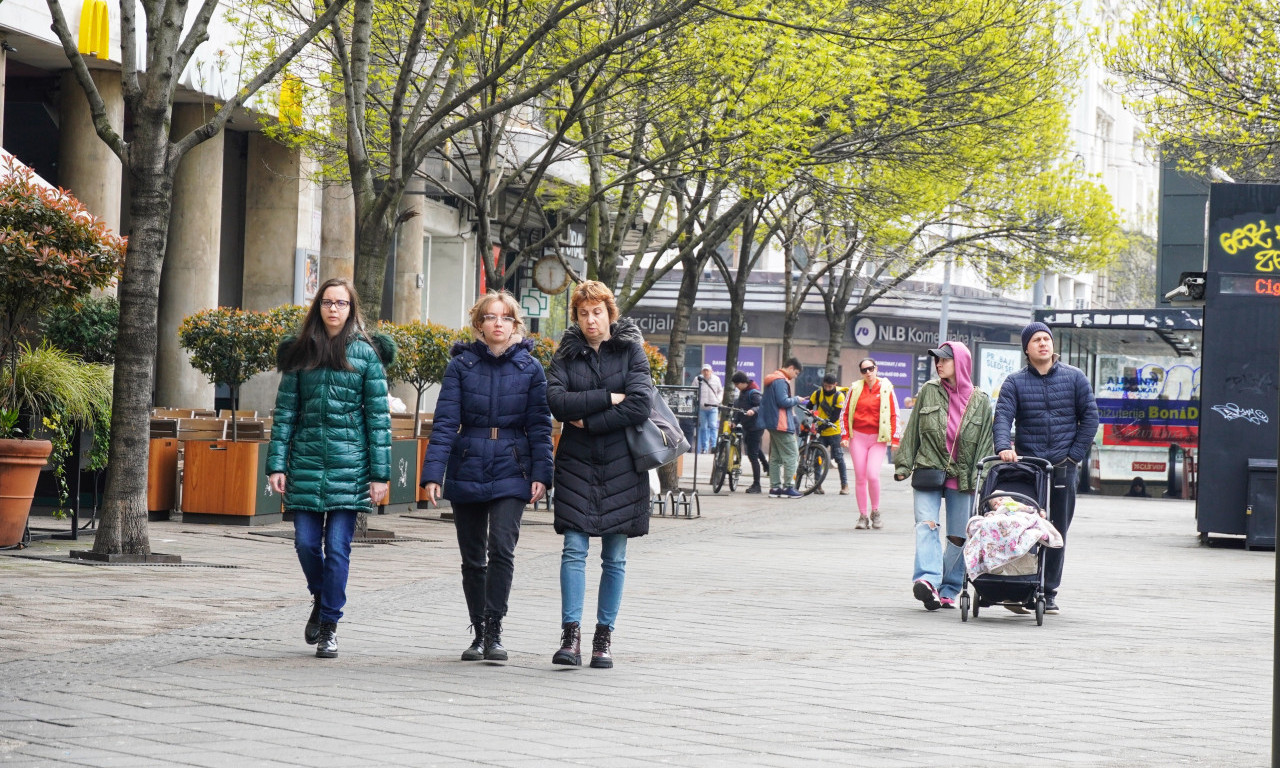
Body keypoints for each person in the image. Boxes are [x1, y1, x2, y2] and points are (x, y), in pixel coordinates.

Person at [420, 291, 554, 662]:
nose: (498, 323)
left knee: (502, 549)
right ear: (479, 324)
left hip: (514, 466)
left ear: (515, 324)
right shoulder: (461, 365)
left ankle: (495, 629)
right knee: (472, 556)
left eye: (506, 317)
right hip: (468, 462)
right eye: (491, 317)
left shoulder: (530, 368)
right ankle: (477, 631)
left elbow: (540, 426)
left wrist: (542, 473)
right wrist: (433, 473)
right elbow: (445, 422)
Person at [267, 277, 394, 659]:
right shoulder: (300, 352)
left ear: (352, 309)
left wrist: (380, 474)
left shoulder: (366, 354)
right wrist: (277, 464)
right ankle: (322, 599)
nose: (333, 309)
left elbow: (378, 418)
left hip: (349, 465)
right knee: (306, 543)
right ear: (318, 307)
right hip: (305, 463)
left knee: (337, 549)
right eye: (327, 302)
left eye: (341, 303)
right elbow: (286, 412)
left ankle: (329, 625)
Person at [546, 280, 652, 669]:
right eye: (584, 313)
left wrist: (586, 421)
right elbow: (557, 402)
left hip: (623, 464)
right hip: (576, 463)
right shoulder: (566, 356)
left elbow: (640, 404)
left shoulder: (631, 352)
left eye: (598, 312)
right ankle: (570, 635)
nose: (591, 320)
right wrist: (609, 397)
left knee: (615, 556)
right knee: (573, 549)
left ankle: (603, 637)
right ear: (576, 317)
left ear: (610, 314)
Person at [993, 322, 1099, 615]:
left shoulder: (1075, 377)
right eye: (1036, 340)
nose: (1043, 343)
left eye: (1046, 339)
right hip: (1029, 469)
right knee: (1023, 526)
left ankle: (1048, 591)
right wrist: (1003, 446)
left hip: (1064, 468)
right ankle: (1021, 586)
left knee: (1057, 530)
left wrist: (1073, 457)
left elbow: (1090, 419)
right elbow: (1002, 417)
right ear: (1026, 348)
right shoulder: (1014, 382)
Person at [893, 342, 993, 611]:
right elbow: (913, 428)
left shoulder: (979, 400)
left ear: (960, 362)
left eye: (945, 359)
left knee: (959, 536)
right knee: (926, 525)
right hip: (928, 469)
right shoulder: (929, 390)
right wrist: (903, 465)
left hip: (963, 476)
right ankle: (927, 580)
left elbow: (986, 443)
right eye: (937, 359)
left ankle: (948, 588)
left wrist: (981, 480)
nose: (939, 364)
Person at [840, 358, 898, 528]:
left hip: (877, 438)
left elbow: (894, 414)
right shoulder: (855, 388)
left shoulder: (887, 388)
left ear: (876, 369)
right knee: (860, 477)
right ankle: (863, 516)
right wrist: (844, 436)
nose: (868, 373)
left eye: (870, 369)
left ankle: (876, 511)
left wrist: (895, 439)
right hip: (857, 436)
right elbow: (844, 412)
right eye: (864, 370)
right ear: (861, 373)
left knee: (872, 474)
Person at [758, 357, 804, 499]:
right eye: (796, 373)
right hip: (781, 423)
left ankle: (775, 487)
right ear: (790, 368)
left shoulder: (772, 379)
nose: (795, 376)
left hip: (772, 422)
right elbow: (783, 401)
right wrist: (797, 399)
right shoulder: (780, 381)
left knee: (776, 457)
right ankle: (788, 487)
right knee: (792, 454)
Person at [806, 373, 849, 495]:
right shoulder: (818, 393)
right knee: (817, 457)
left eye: (830, 386)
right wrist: (811, 414)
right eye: (825, 386)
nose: (827, 389)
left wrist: (825, 424)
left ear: (835, 385)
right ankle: (817, 485)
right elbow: (810, 405)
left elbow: (836, 415)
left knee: (839, 458)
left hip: (834, 431)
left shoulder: (839, 396)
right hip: (820, 431)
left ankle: (844, 485)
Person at [730, 370, 768, 494]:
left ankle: (757, 485)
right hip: (748, 426)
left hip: (756, 427)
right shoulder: (743, 393)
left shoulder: (753, 392)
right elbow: (739, 410)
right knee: (754, 448)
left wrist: (753, 410)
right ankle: (766, 465)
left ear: (742, 382)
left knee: (752, 455)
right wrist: (735, 421)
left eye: (737, 384)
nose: (736, 387)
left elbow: (761, 406)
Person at [696, 362, 724, 453]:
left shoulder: (716, 379)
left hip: (713, 407)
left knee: (713, 426)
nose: (706, 372)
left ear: (711, 371)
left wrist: (718, 400)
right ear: (702, 371)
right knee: (703, 428)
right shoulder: (697, 379)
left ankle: (714, 447)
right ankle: (704, 447)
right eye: (704, 370)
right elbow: (693, 391)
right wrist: (697, 400)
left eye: (707, 370)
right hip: (702, 407)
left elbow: (720, 391)